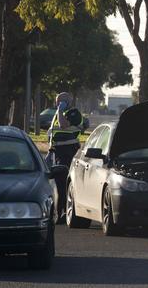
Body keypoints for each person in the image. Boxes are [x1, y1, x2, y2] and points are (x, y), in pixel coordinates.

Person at [47, 92, 83, 223]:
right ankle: (59, 211)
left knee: (63, 182)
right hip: (57, 151)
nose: (58, 104)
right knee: (57, 183)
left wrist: (60, 111)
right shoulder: (59, 113)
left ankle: (64, 212)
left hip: (69, 152)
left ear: (68, 101)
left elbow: (63, 125)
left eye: (61, 101)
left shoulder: (74, 113)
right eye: (57, 101)